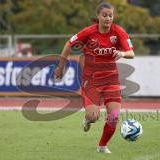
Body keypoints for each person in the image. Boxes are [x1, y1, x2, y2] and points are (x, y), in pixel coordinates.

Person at [54, 2, 135, 153]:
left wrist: (122, 53)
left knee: (114, 117)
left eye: (110, 15)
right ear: (98, 16)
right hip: (91, 80)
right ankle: (87, 119)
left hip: (111, 80)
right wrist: (60, 67)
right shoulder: (88, 32)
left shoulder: (118, 32)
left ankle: (102, 146)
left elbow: (131, 53)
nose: (108, 18)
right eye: (104, 15)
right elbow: (69, 44)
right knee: (93, 116)